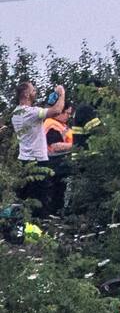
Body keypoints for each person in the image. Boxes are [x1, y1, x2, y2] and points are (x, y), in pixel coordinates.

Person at [10, 81, 67, 214]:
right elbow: (57, 111)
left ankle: (23, 226)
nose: (35, 93)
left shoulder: (16, 113)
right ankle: (38, 228)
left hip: (24, 159)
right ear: (26, 94)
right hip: (38, 161)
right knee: (40, 200)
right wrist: (61, 94)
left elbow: (40, 115)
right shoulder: (31, 112)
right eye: (33, 91)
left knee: (26, 198)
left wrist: (49, 104)